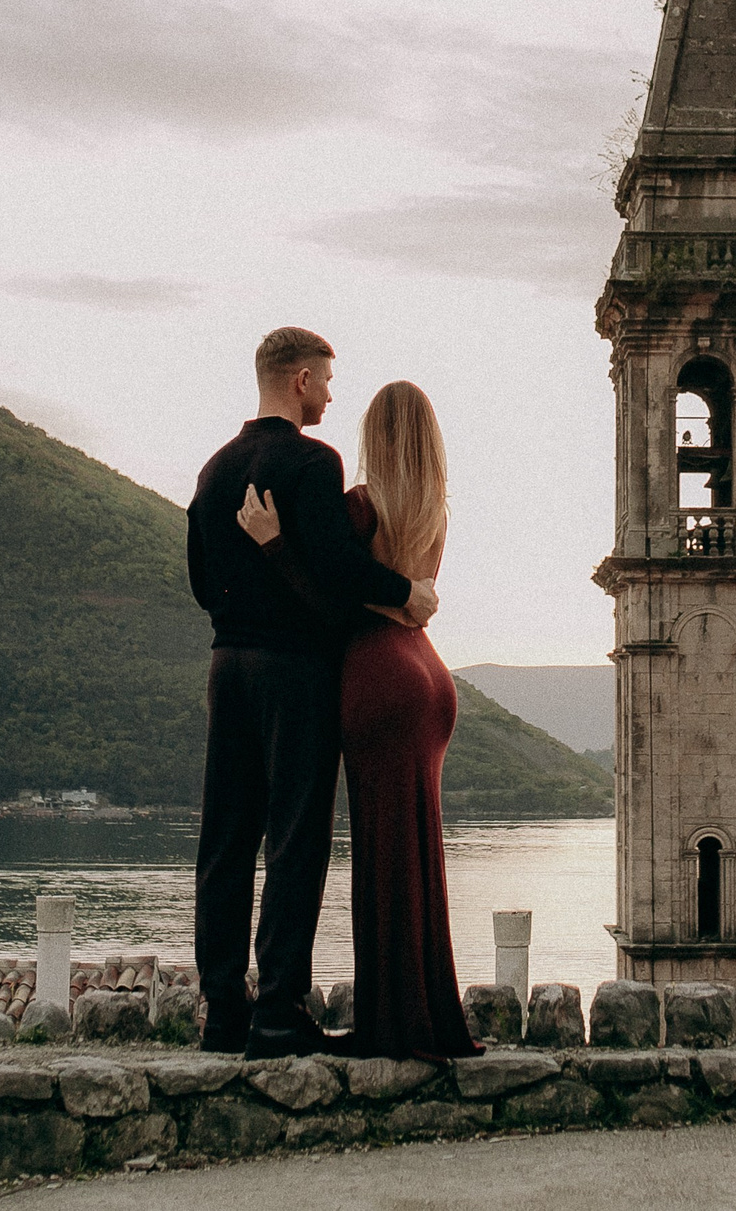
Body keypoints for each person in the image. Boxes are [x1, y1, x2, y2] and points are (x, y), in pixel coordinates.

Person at [186, 327, 436, 1058]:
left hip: (225, 662)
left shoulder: (214, 468)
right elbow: (335, 565)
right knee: (294, 837)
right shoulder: (311, 461)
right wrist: (406, 591)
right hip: (294, 669)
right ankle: (279, 1012)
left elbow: (202, 581)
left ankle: (223, 1011)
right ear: (298, 380)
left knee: (225, 839)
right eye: (325, 380)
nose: (330, 394)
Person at [239, 379, 482, 1062]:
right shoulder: (433, 510)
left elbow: (327, 602)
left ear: (375, 436)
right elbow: (413, 599)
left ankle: (394, 1025)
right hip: (430, 679)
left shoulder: (360, 507)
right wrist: (402, 604)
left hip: (378, 674)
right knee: (418, 850)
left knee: (381, 852)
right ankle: (427, 1014)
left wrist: (275, 543)